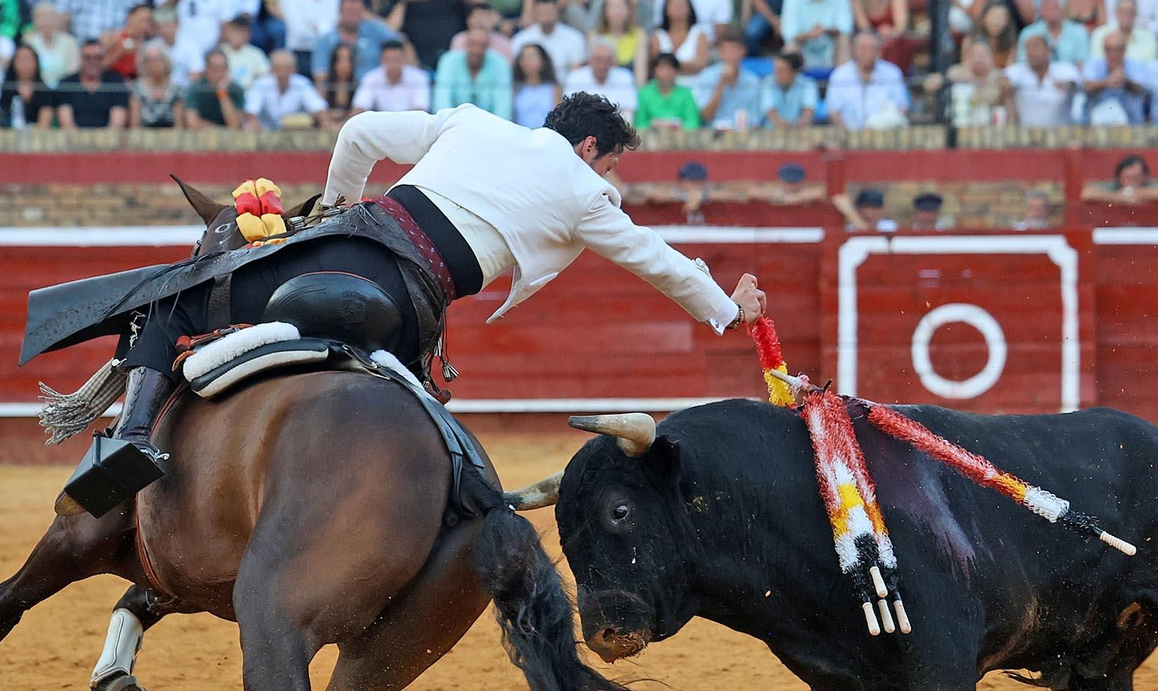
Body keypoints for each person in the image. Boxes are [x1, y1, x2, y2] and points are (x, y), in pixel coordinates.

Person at [41, 93, 766, 512]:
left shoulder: (473, 120)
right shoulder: (584, 192)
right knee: (427, 434)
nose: (615, 181)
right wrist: (728, 308)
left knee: (181, 300)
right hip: (413, 308)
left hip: (352, 245)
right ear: (586, 147)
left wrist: (331, 211)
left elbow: (358, 133)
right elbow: (655, 260)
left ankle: (132, 439)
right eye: (613, 165)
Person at [824, 28, 908, 129]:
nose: (867, 53)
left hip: (886, 134)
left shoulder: (892, 73)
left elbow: (902, 108)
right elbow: (834, 112)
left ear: (878, 51)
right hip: (848, 135)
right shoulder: (839, 75)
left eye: (872, 48)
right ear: (854, 50)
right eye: (863, 48)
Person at [780, 0, 852, 70]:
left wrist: (825, 30)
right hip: (803, 48)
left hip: (831, 47)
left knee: (844, 40)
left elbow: (845, 28)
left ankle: (842, 82)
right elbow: (789, 34)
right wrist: (809, 34)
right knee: (790, 48)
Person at [311, 0, 396, 84]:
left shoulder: (375, 31)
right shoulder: (325, 40)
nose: (352, 16)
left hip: (374, 90)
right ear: (340, 11)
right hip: (340, 92)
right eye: (349, 11)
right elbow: (320, 75)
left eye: (357, 12)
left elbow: (400, 44)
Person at [1004, 29, 1081, 126]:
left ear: (1048, 50)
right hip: (1027, 135)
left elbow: (1078, 85)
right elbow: (1004, 80)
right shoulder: (1017, 70)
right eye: (1028, 47)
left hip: (1061, 134)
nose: (1031, 52)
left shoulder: (1065, 69)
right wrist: (1006, 85)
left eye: (1036, 46)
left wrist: (1068, 85)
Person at [281, 0, 340, 72]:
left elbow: (337, 29)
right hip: (301, 53)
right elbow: (299, 33)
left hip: (329, 53)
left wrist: (315, 27)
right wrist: (325, 28)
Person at [510, 0, 588, 80]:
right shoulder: (520, 39)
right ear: (534, 11)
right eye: (541, 12)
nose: (545, 16)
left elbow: (576, 75)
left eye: (548, 11)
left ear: (557, 10)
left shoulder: (575, 38)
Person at [695, 27, 762, 129]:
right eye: (727, 50)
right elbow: (705, 116)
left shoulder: (753, 81)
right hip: (712, 136)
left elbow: (755, 122)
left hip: (743, 138)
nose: (731, 55)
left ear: (743, 51)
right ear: (720, 52)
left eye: (735, 50)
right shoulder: (707, 76)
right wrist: (721, 84)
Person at [55, 37, 131, 128]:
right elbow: (67, 124)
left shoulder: (115, 82)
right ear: (80, 58)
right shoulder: (67, 83)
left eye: (98, 57)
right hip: (73, 140)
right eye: (87, 57)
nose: (93, 62)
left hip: (108, 140)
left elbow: (116, 124)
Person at [1079, 27, 1148, 123]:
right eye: (1109, 50)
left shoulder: (1135, 66)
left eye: (1117, 50)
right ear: (1104, 50)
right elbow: (1086, 87)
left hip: (1130, 126)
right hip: (1094, 125)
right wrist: (1107, 82)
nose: (1113, 54)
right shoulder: (1093, 65)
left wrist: (1125, 81)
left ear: (1124, 50)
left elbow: (1140, 89)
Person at [349, 39, 429, 114]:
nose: (393, 65)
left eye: (396, 60)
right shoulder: (371, 77)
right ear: (381, 60)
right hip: (380, 125)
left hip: (410, 125)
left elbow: (421, 110)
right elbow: (359, 108)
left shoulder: (419, 77)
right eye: (389, 60)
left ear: (404, 59)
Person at [564, 38, 636, 115]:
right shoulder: (575, 78)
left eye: (607, 60)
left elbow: (629, 112)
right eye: (599, 60)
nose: (603, 65)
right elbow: (570, 111)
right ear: (590, 60)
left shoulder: (625, 77)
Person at [1019, 0, 1091, 65]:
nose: (1050, 12)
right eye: (1047, 8)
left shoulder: (1079, 32)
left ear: (1063, 9)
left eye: (1054, 8)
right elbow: (1022, 64)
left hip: (1070, 76)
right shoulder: (1028, 33)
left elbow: (1083, 64)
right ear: (1040, 10)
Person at [651, 0, 711, 75]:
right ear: (666, 8)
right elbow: (656, 64)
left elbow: (700, 64)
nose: (678, 7)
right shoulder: (658, 36)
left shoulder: (699, 34)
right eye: (674, 3)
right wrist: (686, 66)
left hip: (694, 85)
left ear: (689, 7)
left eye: (682, 3)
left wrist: (669, 64)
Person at [0, 42, 56, 128]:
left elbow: (44, 123)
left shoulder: (44, 90)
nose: (25, 63)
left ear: (36, 62)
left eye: (28, 59)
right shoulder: (7, 88)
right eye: (21, 59)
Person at [634, 50, 698, 128]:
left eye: (669, 68)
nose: (665, 72)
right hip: (651, 137)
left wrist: (676, 125)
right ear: (654, 71)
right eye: (662, 68)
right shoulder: (644, 93)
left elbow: (693, 123)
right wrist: (653, 124)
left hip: (681, 137)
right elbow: (640, 124)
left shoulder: (686, 93)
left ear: (676, 72)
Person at [183, 47, 244, 127]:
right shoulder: (196, 89)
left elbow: (235, 125)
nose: (220, 73)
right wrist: (218, 129)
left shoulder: (236, 89)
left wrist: (222, 93)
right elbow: (192, 123)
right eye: (215, 69)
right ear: (206, 69)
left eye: (223, 68)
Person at [25, 1, 81, 87]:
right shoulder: (28, 42)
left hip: (63, 90)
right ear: (34, 20)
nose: (45, 21)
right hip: (38, 90)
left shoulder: (70, 42)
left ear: (56, 19)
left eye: (49, 17)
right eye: (41, 17)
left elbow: (73, 71)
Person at [129, 40, 182, 127]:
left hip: (171, 136)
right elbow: (135, 124)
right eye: (149, 60)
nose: (154, 64)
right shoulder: (137, 88)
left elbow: (179, 125)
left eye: (158, 59)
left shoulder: (176, 89)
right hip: (144, 137)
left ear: (166, 61)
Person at [761, 50, 819, 128]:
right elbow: (769, 109)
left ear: (794, 72)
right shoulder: (767, 83)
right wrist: (780, 123)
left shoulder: (808, 84)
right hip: (772, 132)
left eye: (782, 70)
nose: (777, 73)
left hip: (799, 132)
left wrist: (802, 122)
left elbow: (808, 110)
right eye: (775, 69)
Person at [1082, 153, 1158, 202]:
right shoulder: (1113, 186)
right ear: (1119, 177)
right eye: (1127, 177)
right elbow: (1087, 194)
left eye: (1135, 177)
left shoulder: (1150, 184)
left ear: (1144, 177)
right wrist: (1118, 197)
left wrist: (1134, 192)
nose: (1130, 181)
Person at [510, 41, 560, 126]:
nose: (527, 61)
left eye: (531, 57)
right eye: (523, 57)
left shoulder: (554, 88)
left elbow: (558, 117)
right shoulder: (515, 89)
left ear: (542, 60)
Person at [219, 13, 269, 87]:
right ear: (228, 32)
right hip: (225, 92)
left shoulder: (256, 54)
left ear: (249, 34)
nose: (237, 36)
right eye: (235, 31)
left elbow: (264, 76)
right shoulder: (219, 52)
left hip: (251, 94)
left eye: (241, 32)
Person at [320, 41, 359, 126]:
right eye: (340, 60)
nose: (344, 65)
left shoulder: (358, 86)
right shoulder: (325, 86)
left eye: (348, 60)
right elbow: (318, 109)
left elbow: (359, 110)